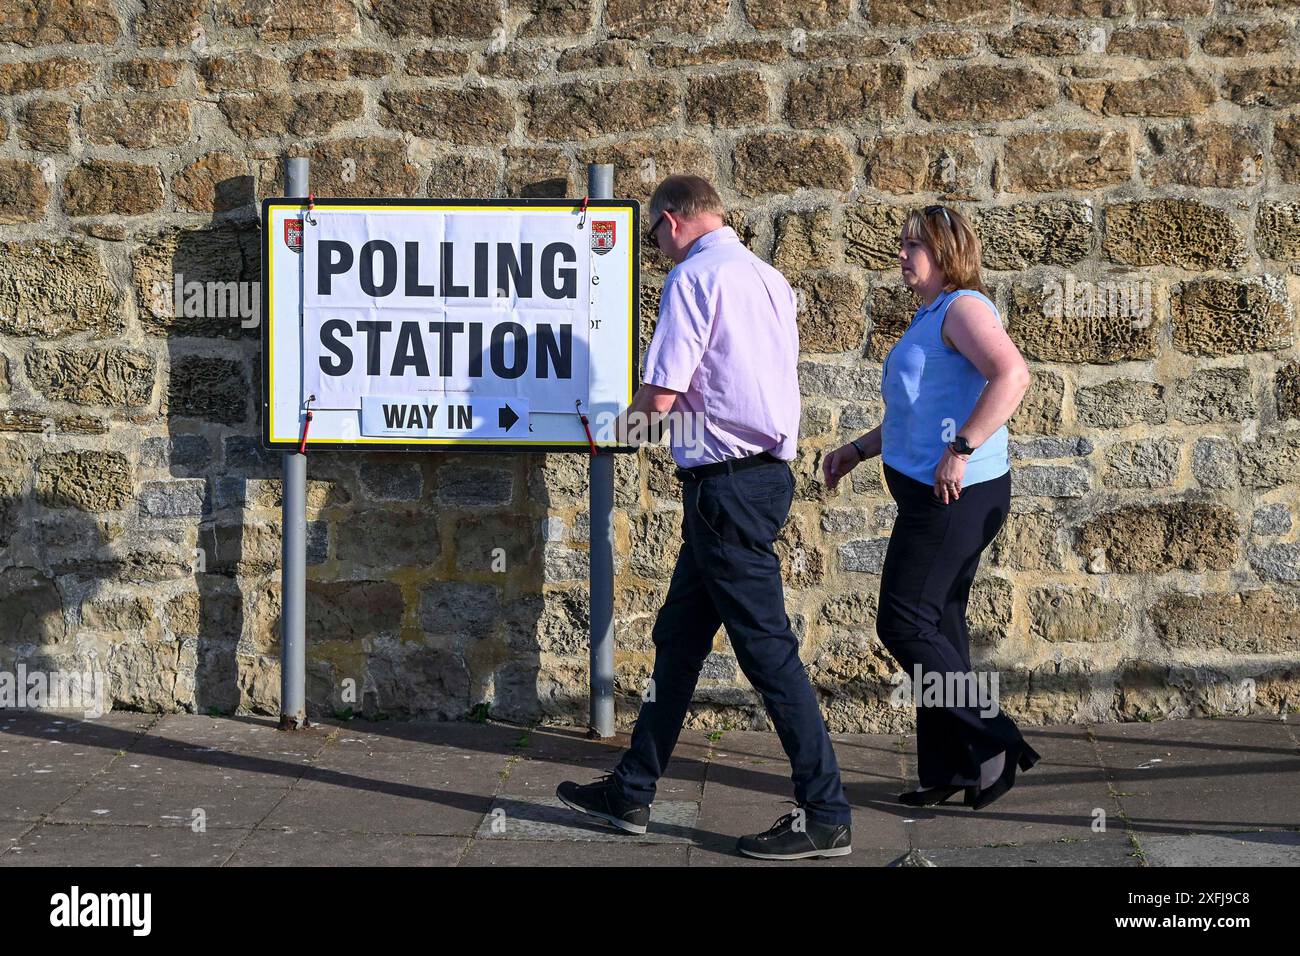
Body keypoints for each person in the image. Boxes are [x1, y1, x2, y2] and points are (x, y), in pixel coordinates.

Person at [556, 174, 853, 860]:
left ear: (674, 219)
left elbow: (662, 394)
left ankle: (827, 812)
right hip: (756, 480)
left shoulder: (694, 279)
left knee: (768, 652)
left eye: (655, 235)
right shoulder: (768, 279)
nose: (656, 249)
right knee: (679, 641)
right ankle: (632, 788)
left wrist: (614, 432)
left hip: (724, 490)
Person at [822, 204, 1040, 810]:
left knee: (904, 621)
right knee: (939, 625)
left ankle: (995, 739)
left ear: (945, 253)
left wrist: (962, 447)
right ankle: (953, 769)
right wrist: (859, 450)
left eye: (912, 245)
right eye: (900, 243)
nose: (900, 254)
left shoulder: (964, 307)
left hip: (956, 497)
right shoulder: (928, 316)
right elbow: (916, 411)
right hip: (930, 493)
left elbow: (1013, 376)